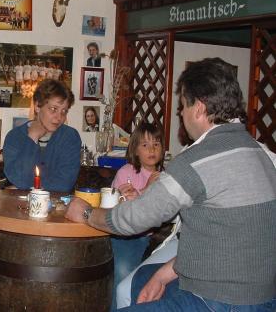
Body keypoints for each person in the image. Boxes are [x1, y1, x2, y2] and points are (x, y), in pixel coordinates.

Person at [66, 58, 276, 311]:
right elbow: (227, 237)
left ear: (198, 108)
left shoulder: (194, 161)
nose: (181, 114)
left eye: (182, 107)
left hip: (215, 300)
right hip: (264, 297)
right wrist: (164, 273)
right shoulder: (263, 153)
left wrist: (86, 213)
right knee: (142, 280)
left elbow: (134, 218)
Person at [109, 122, 165, 311]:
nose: (152, 149)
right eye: (145, 145)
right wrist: (145, 189)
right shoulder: (126, 172)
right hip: (126, 236)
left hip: (154, 236)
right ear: (135, 149)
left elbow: (163, 209)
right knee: (123, 272)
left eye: (156, 144)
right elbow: (118, 208)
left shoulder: (165, 176)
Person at [3, 79, 81, 192]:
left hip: (57, 206)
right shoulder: (14, 137)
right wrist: (32, 137)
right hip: (21, 206)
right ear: (37, 106)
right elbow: (19, 179)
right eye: (53, 109)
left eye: (64, 111)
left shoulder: (70, 137)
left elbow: (64, 184)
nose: (59, 117)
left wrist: (26, 188)